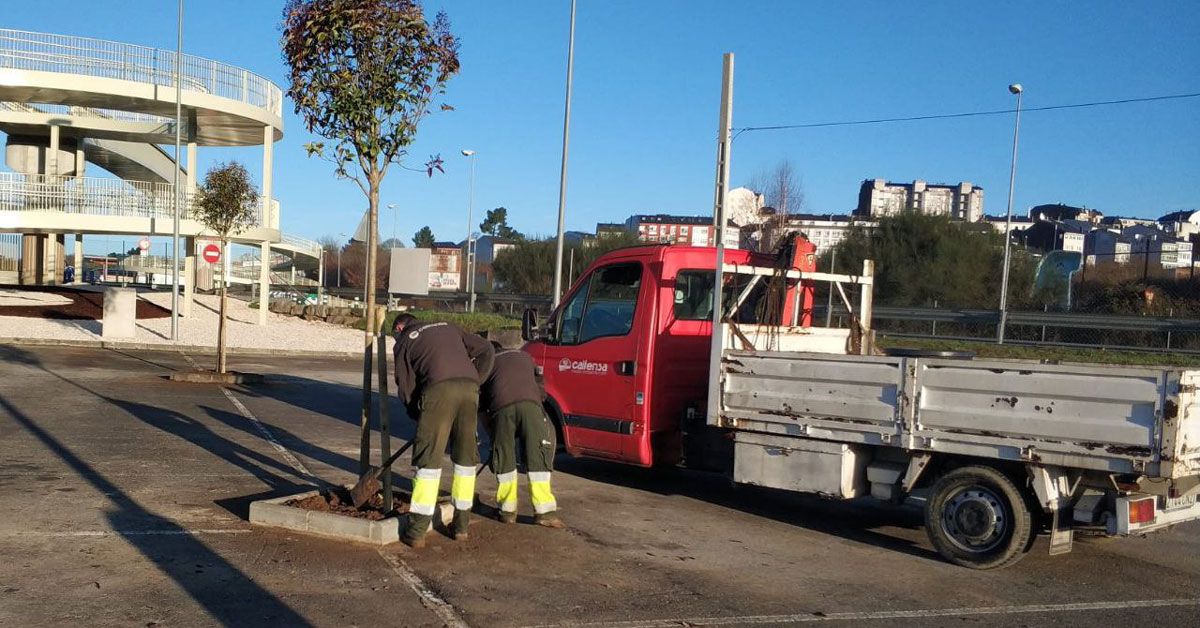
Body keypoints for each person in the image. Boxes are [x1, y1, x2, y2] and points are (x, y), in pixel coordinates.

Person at [392, 313, 494, 548]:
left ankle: (417, 531)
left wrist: (419, 414)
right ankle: (461, 527)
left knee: (428, 462)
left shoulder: (406, 340)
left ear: (399, 327)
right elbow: (486, 349)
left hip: (438, 390)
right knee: (466, 461)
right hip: (470, 389)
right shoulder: (449, 326)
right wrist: (476, 380)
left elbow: (405, 386)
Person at [479, 341, 563, 528]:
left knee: (505, 458)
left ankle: (507, 512)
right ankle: (545, 513)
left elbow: (481, 406)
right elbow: (540, 384)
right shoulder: (524, 356)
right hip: (532, 405)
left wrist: (494, 434)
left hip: (501, 408)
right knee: (537, 457)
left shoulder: (488, 362)